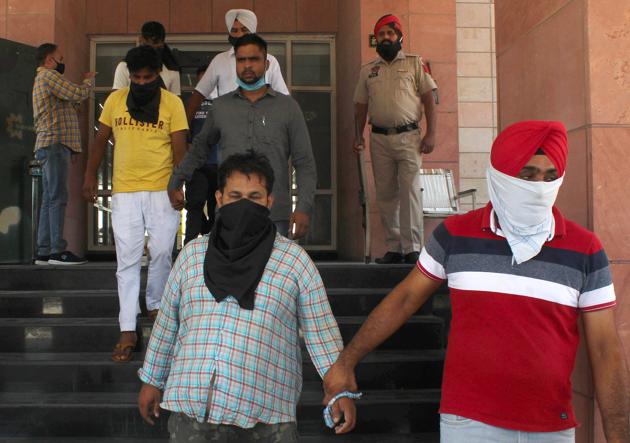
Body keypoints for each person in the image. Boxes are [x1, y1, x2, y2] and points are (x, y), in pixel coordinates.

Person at [323, 121, 630, 442]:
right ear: (501, 176)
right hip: (470, 423)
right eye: (527, 175)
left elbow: (606, 349)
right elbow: (403, 300)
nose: (540, 187)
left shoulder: (584, 249)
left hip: (551, 426)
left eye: (550, 177)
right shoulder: (455, 236)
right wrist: (347, 361)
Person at [138, 150, 355, 442]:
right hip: (193, 411)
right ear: (219, 199)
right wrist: (152, 380)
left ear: (269, 202)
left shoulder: (293, 262)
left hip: (265, 416)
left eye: (254, 197)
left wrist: (339, 389)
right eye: (235, 195)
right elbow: (167, 324)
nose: (244, 205)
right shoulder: (191, 256)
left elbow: (321, 332)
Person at [82, 45, 188, 362]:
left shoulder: (172, 103)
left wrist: (178, 185)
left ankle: (155, 307)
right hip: (125, 192)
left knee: (161, 254)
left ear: (159, 75)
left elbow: (180, 149)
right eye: (136, 77)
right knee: (126, 261)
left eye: (148, 77)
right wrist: (89, 177)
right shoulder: (115, 100)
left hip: (162, 191)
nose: (142, 83)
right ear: (129, 75)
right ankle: (127, 328)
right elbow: (100, 141)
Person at [168, 34, 315, 239]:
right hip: (229, 214)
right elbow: (199, 150)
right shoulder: (220, 107)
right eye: (241, 60)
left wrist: (303, 207)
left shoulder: (288, 107)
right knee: (228, 271)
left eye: (254, 59)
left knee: (272, 272)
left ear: (266, 63)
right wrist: (176, 181)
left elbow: (304, 161)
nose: (247, 65)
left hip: (273, 215)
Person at [354, 14, 438, 264]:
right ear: (376, 39)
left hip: (409, 137)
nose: (386, 38)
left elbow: (429, 99)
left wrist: (431, 133)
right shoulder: (368, 70)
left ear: (399, 37)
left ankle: (412, 248)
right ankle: (394, 248)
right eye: (381, 34)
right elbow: (360, 106)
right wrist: (357, 135)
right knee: (386, 194)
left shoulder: (414, 64)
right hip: (379, 139)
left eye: (390, 34)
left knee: (410, 191)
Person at [32, 43, 94, 265]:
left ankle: (44, 250)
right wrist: (87, 81)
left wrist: (73, 147)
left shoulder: (45, 80)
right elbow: (76, 93)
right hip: (54, 145)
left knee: (50, 198)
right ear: (49, 60)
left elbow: (69, 105)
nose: (62, 63)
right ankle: (57, 251)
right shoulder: (49, 76)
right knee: (57, 197)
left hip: (53, 145)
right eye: (60, 58)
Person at [185, 8, 289, 123]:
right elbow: (199, 94)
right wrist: (185, 128)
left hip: (262, 127)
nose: (239, 34)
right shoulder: (219, 60)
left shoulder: (270, 60)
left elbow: (284, 99)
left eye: (244, 30)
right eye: (234, 30)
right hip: (227, 129)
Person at [184, 65, 219, 244]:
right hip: (197, 166)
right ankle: (188, 247)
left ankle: (213, 246)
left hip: (219, 164)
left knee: (217, 207)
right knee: (194, 206)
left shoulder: (224, 101)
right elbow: (183, 132)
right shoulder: (191, 103)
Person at [113, 21, 181, 95]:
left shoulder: (171, 70)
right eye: (137, 77)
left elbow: (176, 102)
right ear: (141, 40)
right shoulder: (124, 67)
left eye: (156, 48)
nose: (142, 82)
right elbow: (117, 99)